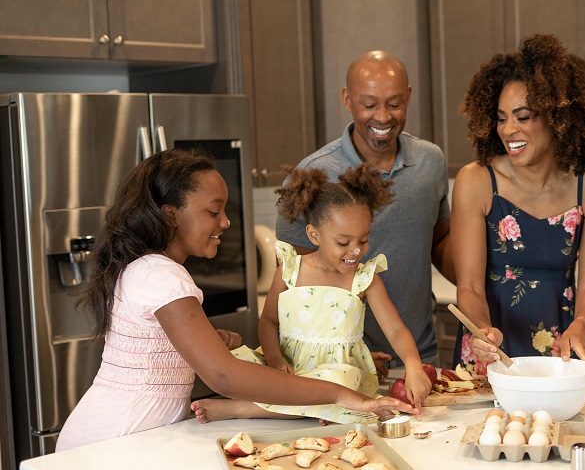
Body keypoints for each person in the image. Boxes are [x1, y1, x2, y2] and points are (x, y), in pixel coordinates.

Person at [56, 149, 417, 451]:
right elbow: (224, 375)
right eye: (214, 212)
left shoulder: (151, 269)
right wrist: (340, 396)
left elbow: (159, 349)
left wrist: (210, 340)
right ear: (170, 216)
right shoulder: (161, 275)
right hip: (108, 442)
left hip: (132, 435)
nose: (226, 222)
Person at [191, 164, 432, 424]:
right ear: (313, 234)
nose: (356, 251)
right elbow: (268, 322)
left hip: (335, 376)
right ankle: (321, 408)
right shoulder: (290, 270)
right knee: (236, 363)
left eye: (364, 240)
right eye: (343, 242)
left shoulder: (365, 279)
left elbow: (395, 330)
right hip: (289, 368)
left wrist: (413, 365)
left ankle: (241, 409)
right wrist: (273, 360)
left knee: (339, 382)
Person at [452, 33, 585, 369]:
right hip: (491, 349)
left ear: (558, 117)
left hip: (560, 347)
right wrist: (480, 331)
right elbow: (471, 285)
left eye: (523, 117)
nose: (509, 130)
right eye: (502, 118)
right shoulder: (476, 182)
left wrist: (582, 324)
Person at [275, 50, 454, 376]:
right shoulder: (312, 174)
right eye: (369, 104)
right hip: (340, 364)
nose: (383, 117)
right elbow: (297, 285)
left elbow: (441, 242)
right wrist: (348, 348)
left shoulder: (431, 162)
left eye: (395, 104)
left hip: (420, 355)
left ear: (409, 96)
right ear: (347, 99)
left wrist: (483, 286)